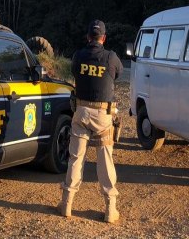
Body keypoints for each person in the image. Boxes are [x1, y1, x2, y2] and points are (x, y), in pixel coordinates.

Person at [58, 19, 123, 223]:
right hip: (103, 116)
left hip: (82, 113)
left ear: (88, 37)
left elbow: (74, 72)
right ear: (103, 38)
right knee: (105, 161)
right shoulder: (111, 57)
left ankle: (67, 204)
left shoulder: (78, 56)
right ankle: (110, 209)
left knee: (76, 158)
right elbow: (118, 75)